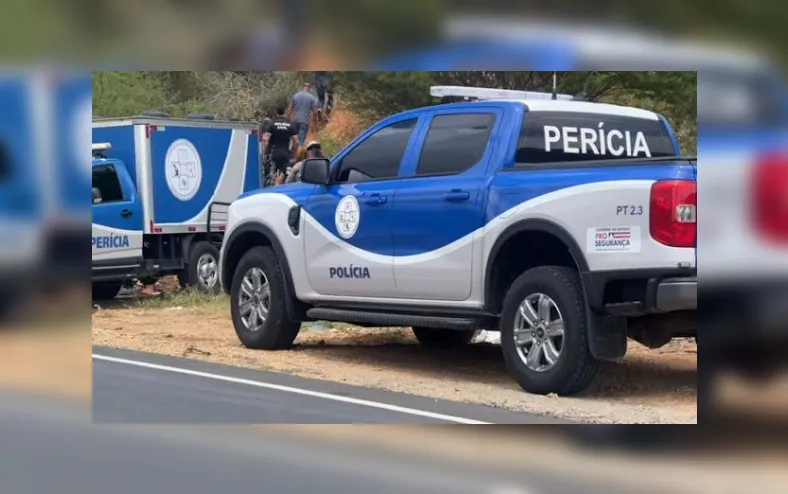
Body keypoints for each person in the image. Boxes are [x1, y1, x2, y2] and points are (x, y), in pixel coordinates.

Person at [262, 105, 298, 186]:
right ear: (285, 111)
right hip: (285, 154)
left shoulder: (271, 124)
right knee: (286, 176)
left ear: (276, 112)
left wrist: (265, 153)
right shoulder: (290, 125)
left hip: (273, 153)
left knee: (270, 176)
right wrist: (293, 152)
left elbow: (266, 140)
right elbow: (296, 141)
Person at [287, 82, 319, 146]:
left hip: (294, 120)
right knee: (301, 141)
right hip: (304, 122)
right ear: (309, 88)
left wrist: (287, 119)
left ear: (303, 87)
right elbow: (315, 112)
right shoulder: (312, 98)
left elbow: (290, 108)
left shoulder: (295, 96)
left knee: (293, 139)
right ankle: (299, 154)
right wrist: (314, 121)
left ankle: (293, 153)